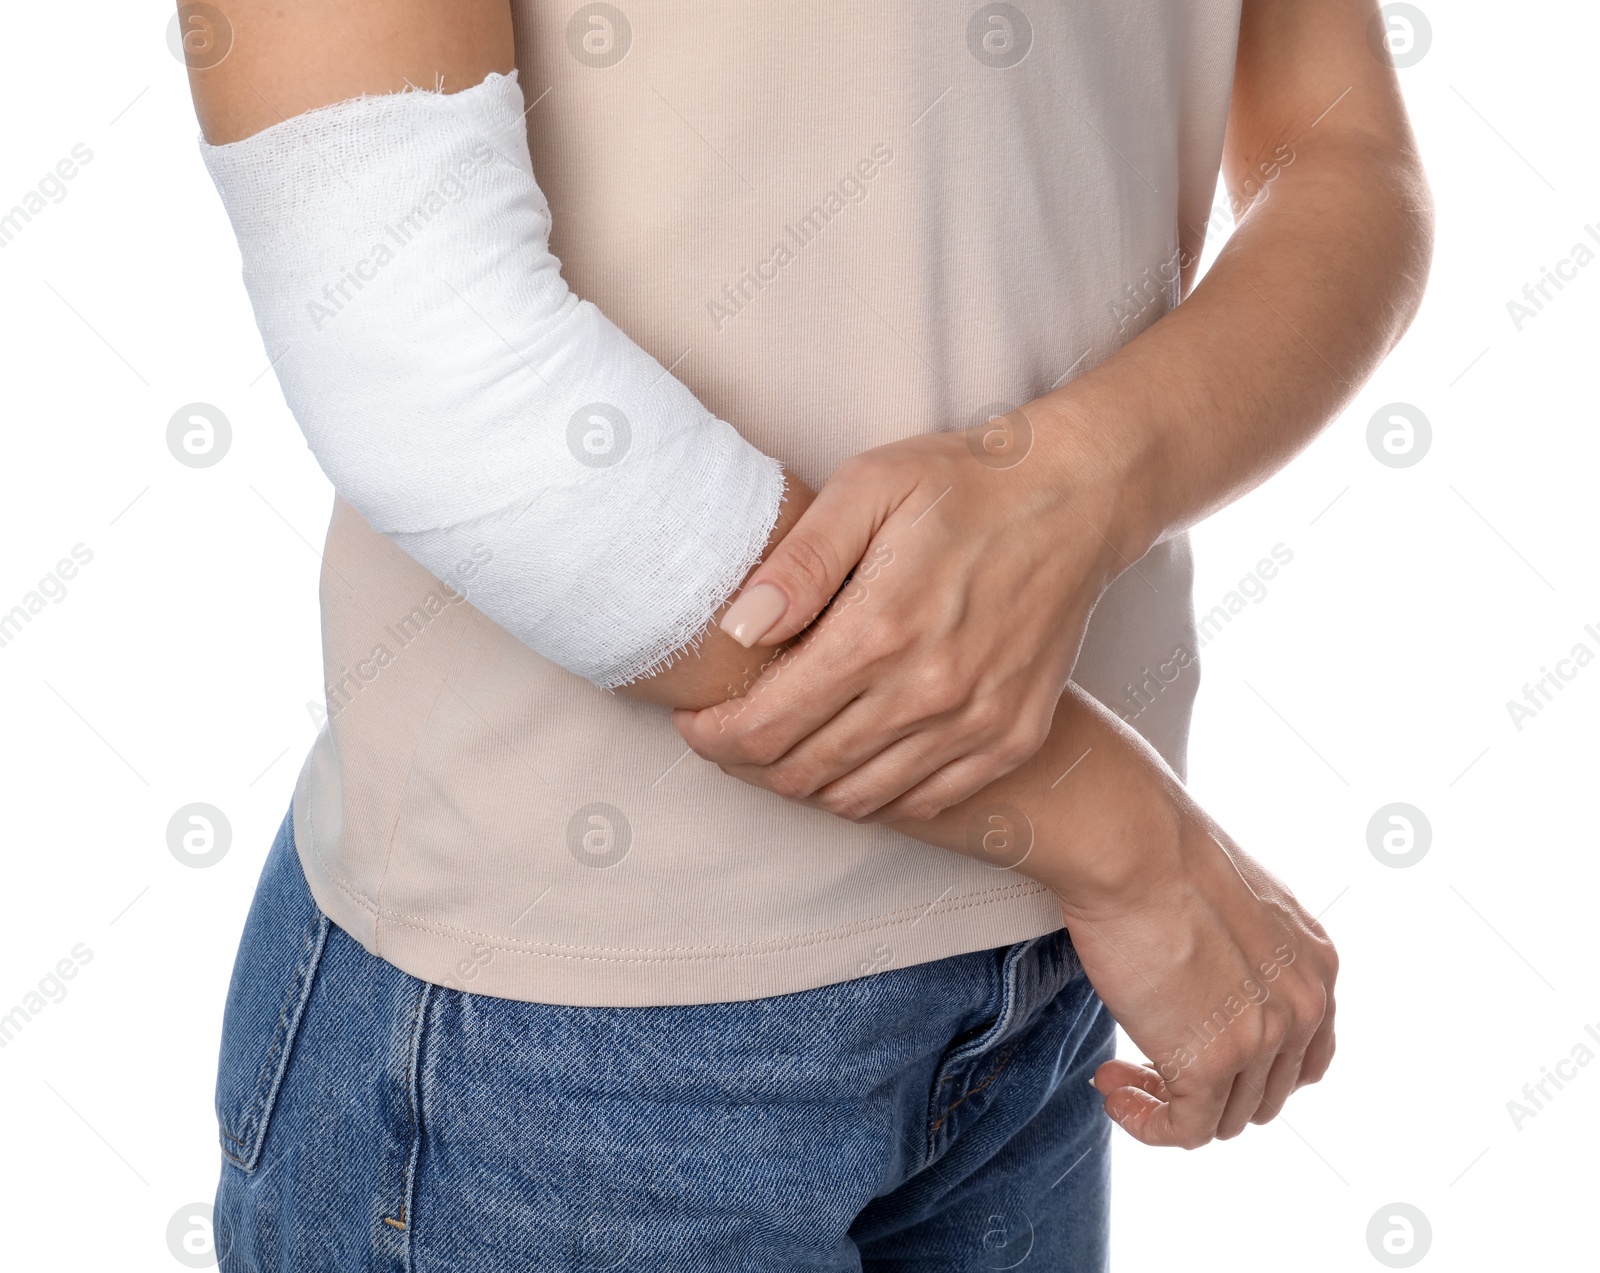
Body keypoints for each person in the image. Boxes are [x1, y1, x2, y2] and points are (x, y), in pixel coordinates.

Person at [182, 0, 1430, 1267]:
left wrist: (1086, 471)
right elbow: (417, 346)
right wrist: (1107, 819)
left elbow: (1340, 155)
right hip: (560, 1038)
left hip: (1042, 973)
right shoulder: (1119, 845)